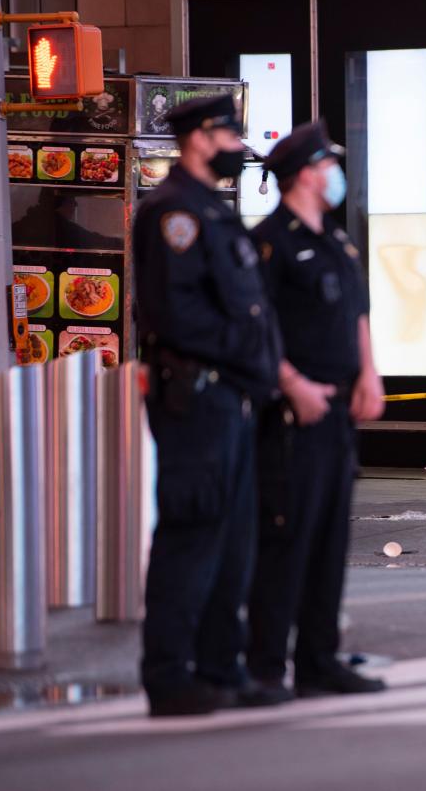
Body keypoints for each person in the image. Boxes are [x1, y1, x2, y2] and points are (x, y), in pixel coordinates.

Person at [133, 94, 282, 716]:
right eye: (229, 137)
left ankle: (222, 667)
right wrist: (246, 357)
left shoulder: (213, 215)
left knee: (234, 539)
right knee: (192, 533)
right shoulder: (173, 214)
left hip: (230, 394)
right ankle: (169, 676)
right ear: (198, 138)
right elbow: (177, 313)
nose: (237, 150)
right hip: (196, 394)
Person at [246, 120, 387, 701]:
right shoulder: (269, 243)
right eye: (329, 165)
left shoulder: (336, 240)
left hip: (335, 413)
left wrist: (369, 372)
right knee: (286, 540)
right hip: (290, 413)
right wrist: (291, 384)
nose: (336, 176)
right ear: (306, 173)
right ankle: (263, 665)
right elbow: (254, 328)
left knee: (330, 540)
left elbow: (357, 313)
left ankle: (319, 659)